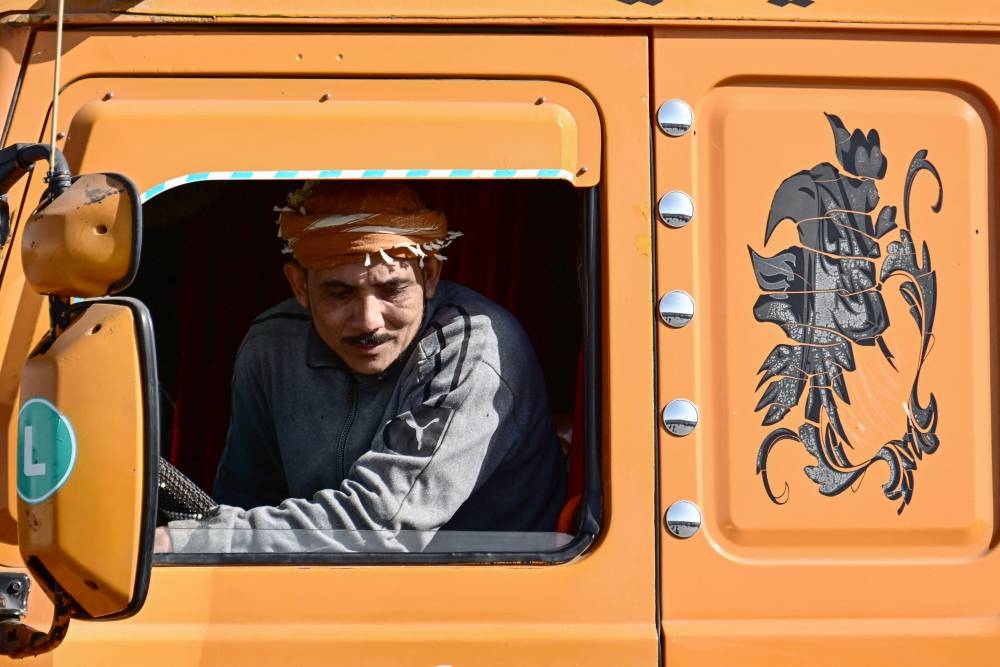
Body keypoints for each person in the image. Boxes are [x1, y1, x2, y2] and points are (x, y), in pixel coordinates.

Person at [159, 181, 567, 553]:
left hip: (483, 607)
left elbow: (382, 525)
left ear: (430, 277)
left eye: (392, 289)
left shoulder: (473, 347)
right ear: (299, 287)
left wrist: (195, 539)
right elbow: (244, 499)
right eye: (339, 292)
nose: (368, 320)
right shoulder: (272, 346)